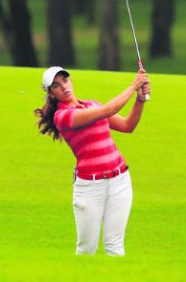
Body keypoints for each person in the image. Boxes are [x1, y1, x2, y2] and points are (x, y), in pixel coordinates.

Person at [34, 66, 151, 256]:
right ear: (51, 94)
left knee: (115, 247)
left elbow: (127, 126)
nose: (63, 87)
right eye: (56, 85)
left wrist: (139, 98)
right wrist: (133, 85)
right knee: (86, 250)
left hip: (120, 181)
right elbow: (107, 110)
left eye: (65, 80)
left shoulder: (91, 104)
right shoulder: (63, 117)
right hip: (90, 187)